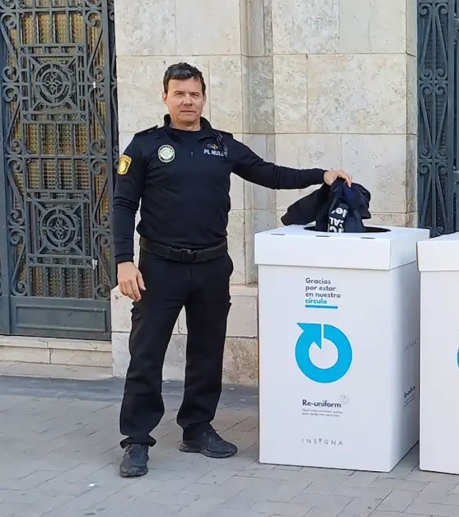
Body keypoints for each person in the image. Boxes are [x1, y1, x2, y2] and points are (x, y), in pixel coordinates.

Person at [112, 62, 352, 478]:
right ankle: (136, 440)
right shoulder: (145, 146)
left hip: (211, 266)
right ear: (165, 97)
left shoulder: (221, 145)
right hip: (159, 268)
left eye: (194, 93)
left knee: (207, 352)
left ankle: (197, 428)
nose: (187, 100)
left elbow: (272, 174)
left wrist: (322, 175)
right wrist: (122, 261)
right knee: (147, 355)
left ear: (204, 97)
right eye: (179, 93)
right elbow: (122, 205)